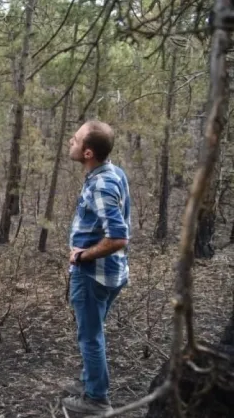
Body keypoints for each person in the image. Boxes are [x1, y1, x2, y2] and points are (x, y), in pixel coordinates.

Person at [62, 120, 131, 414]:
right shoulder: (110, 173)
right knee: (93, 332)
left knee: (90, 336)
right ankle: (90, 383)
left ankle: (96, 401)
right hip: (110, 273)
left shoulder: (102, 183)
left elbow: (118, 237)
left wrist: (82, 256)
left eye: (76, 140)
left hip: (94, 275)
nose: (70, 142)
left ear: (88, 152)